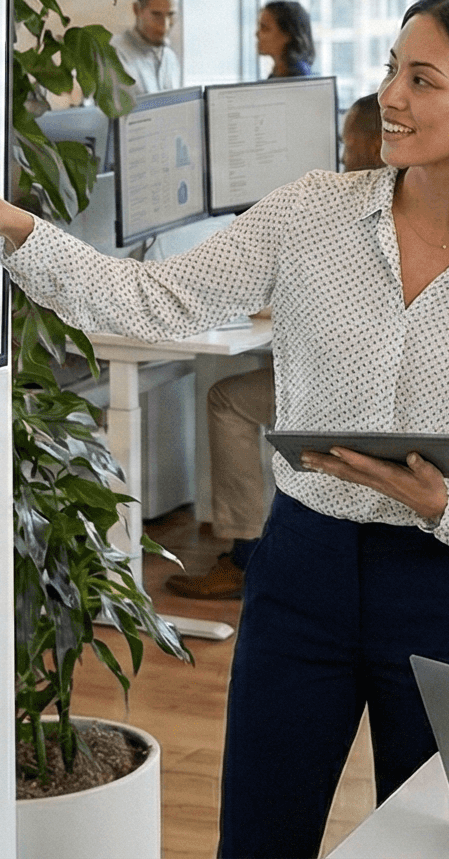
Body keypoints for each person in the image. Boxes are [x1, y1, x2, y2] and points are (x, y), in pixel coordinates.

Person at [0, 0, 449, 857]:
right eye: (391, 70)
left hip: (446, 590)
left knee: (444, 846)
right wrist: (17, 229)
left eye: (423, 80)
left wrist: (442, 506)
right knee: (260, 840)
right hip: (302, 568)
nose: (391, 97)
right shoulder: (313, 212)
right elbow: (159, 298)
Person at [167, 94, 388, 601]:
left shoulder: (350, 207)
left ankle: (246, 555)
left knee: (227, 400)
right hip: (366, 385)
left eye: (345, 141)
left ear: (373, 143)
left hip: (348, 396)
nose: (341, 153)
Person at [114, 0, 183, 93]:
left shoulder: (169, 58)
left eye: (171, 15)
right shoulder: (114, 54)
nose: (165, 26)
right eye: (156, 15)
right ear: (137, 10)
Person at [257, 0, 318, 79]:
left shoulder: (301, 80)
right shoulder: (278, 75)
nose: (257, 34)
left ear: (288, 35)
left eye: (265, 28)